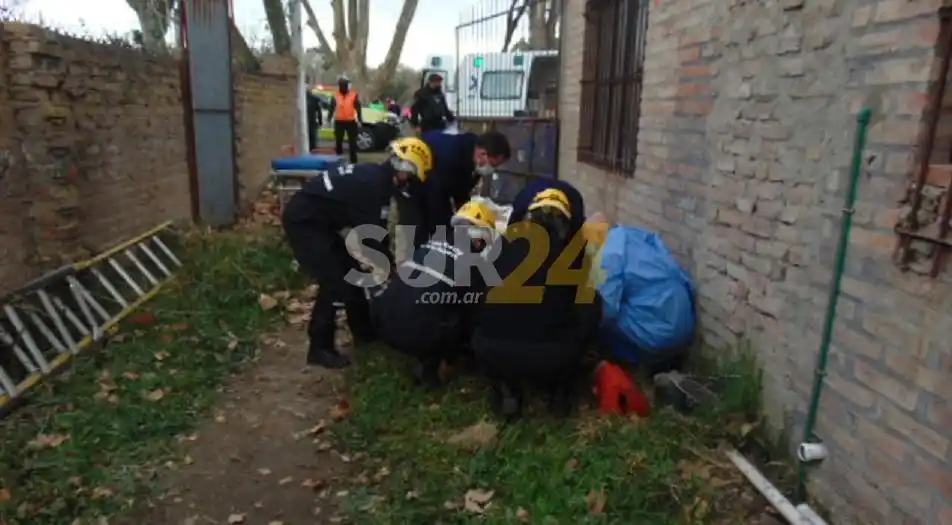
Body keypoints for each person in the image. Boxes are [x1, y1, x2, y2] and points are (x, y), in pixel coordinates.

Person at [282, 137, 433, 369]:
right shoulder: (375, 188)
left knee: (352, 275)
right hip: (305, 224)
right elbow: (373, 239)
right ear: (404, 168)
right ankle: (319, 348)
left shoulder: (374, 176)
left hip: (320, 224)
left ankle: (365, 335)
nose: (409, 183)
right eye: (411, 177)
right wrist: (391, 271)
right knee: (333, 283)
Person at [472, 181, 601, 420]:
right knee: (590, 308)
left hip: (493, 352)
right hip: (552, 358)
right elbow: (590, 311)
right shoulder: (573, 259)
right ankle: (559, 394)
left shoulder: (499, 247)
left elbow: (476, 295)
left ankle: (507, 390)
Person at [367, 200, 497, 388]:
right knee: (470, 315)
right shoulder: (475, 265)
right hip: (415, 334)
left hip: (383, 321)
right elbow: (474, 312)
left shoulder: (431, 241)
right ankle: (430, 366)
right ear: (480, 238)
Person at [395, 129, 511, 260]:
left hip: (435, 181)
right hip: (411, 176)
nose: (493, 169)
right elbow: (436, 199)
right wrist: (445, 234)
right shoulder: (451, 157)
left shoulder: (474, 160)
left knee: (447, 226)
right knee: (418, 223)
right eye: (494, 164)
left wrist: (467, 217)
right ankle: (416, 262)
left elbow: (461, 191)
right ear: (482, 154)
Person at [327, 75, 365, 164]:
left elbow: (358, 107)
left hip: (351, 121)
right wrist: (329, 118)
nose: (348, 86)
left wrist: (360, 119)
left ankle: (353, 161)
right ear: (342, 85)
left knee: (352, 142)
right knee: (338, 142)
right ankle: (338, 161)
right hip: (339, 122)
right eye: (347, 84)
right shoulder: (336, 96)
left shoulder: (353, 95)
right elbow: (331, 108)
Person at [305, 83, 324, 153]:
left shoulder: (301, 98)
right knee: (313, 141)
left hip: (306, 123)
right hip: (312, 123)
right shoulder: (315, 99)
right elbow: (319, 113)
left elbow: (319, 112)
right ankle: (312, 153)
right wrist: (320, 122)